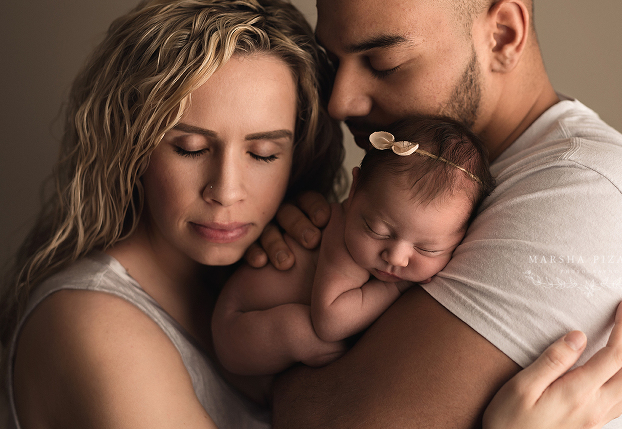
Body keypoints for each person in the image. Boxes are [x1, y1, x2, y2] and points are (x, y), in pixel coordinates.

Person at [0, 0, 622, 429]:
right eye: (191, 147)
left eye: (263, 154)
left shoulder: (281, 268)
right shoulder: (91, 325)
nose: (228, 190)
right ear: (132, 147)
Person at [250, 0, 622, 429]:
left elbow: (316, 428)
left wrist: (274, 354)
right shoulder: (408, 185)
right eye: (333, 63)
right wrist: (286, 276)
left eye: (383, 62)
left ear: (501, 35)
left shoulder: (583, 199)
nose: (340, 102)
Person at [212, 117, 494, 375]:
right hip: (237, 327)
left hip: (255, 335)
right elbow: (331, 321)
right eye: (376, 230)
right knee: (307, 332)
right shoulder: (342, 240)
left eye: (427, 249)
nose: (395, 257)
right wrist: (394, 287)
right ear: (354, 190)